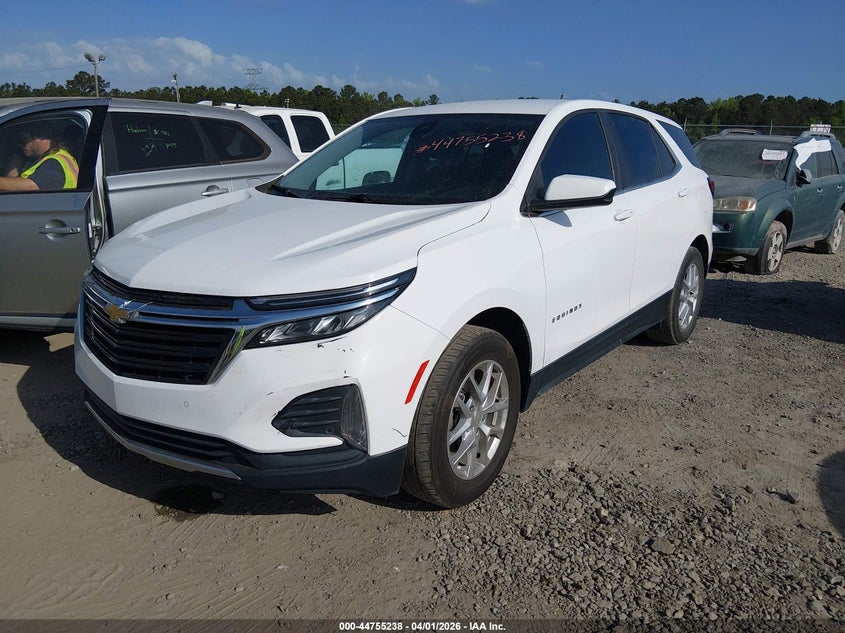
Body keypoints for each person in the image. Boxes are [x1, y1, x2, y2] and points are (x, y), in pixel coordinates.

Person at [0, 121, 79, 191]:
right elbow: (13, 180)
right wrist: (18, 153)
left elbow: (31, 186)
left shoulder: (54, 162)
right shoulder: (50, 157)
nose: (21, 144)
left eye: (23, 139)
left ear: (40, 137)